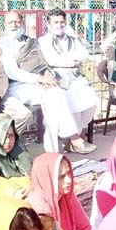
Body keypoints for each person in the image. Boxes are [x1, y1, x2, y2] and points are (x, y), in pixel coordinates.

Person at [38, 8, 100, 150]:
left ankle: (75, 135)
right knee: (64, 102)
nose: (59, 25)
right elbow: (52, 60)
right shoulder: (44, 41)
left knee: (91, 98)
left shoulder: (71, 39)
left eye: (62, 22)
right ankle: (75, 140)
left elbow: (84, 54)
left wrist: (67, 59)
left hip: (75, 78)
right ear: (48, 24)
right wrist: (72, 61)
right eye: (56, 22)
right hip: (55, 80)